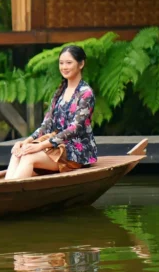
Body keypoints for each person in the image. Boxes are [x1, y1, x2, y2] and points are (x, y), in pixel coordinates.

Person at [6, 45, 97, 180]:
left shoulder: (85, 93)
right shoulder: (59, 92)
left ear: (81, 64)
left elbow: (75, 128)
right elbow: (47, 124)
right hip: (56, 144)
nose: (64, 67)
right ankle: (7, 189)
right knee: (19, 153)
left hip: (77, 151)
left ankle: (12, 194)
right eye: (61, 63)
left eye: (69, 63)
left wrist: (41, 146)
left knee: (28, 157)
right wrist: (26, 142)